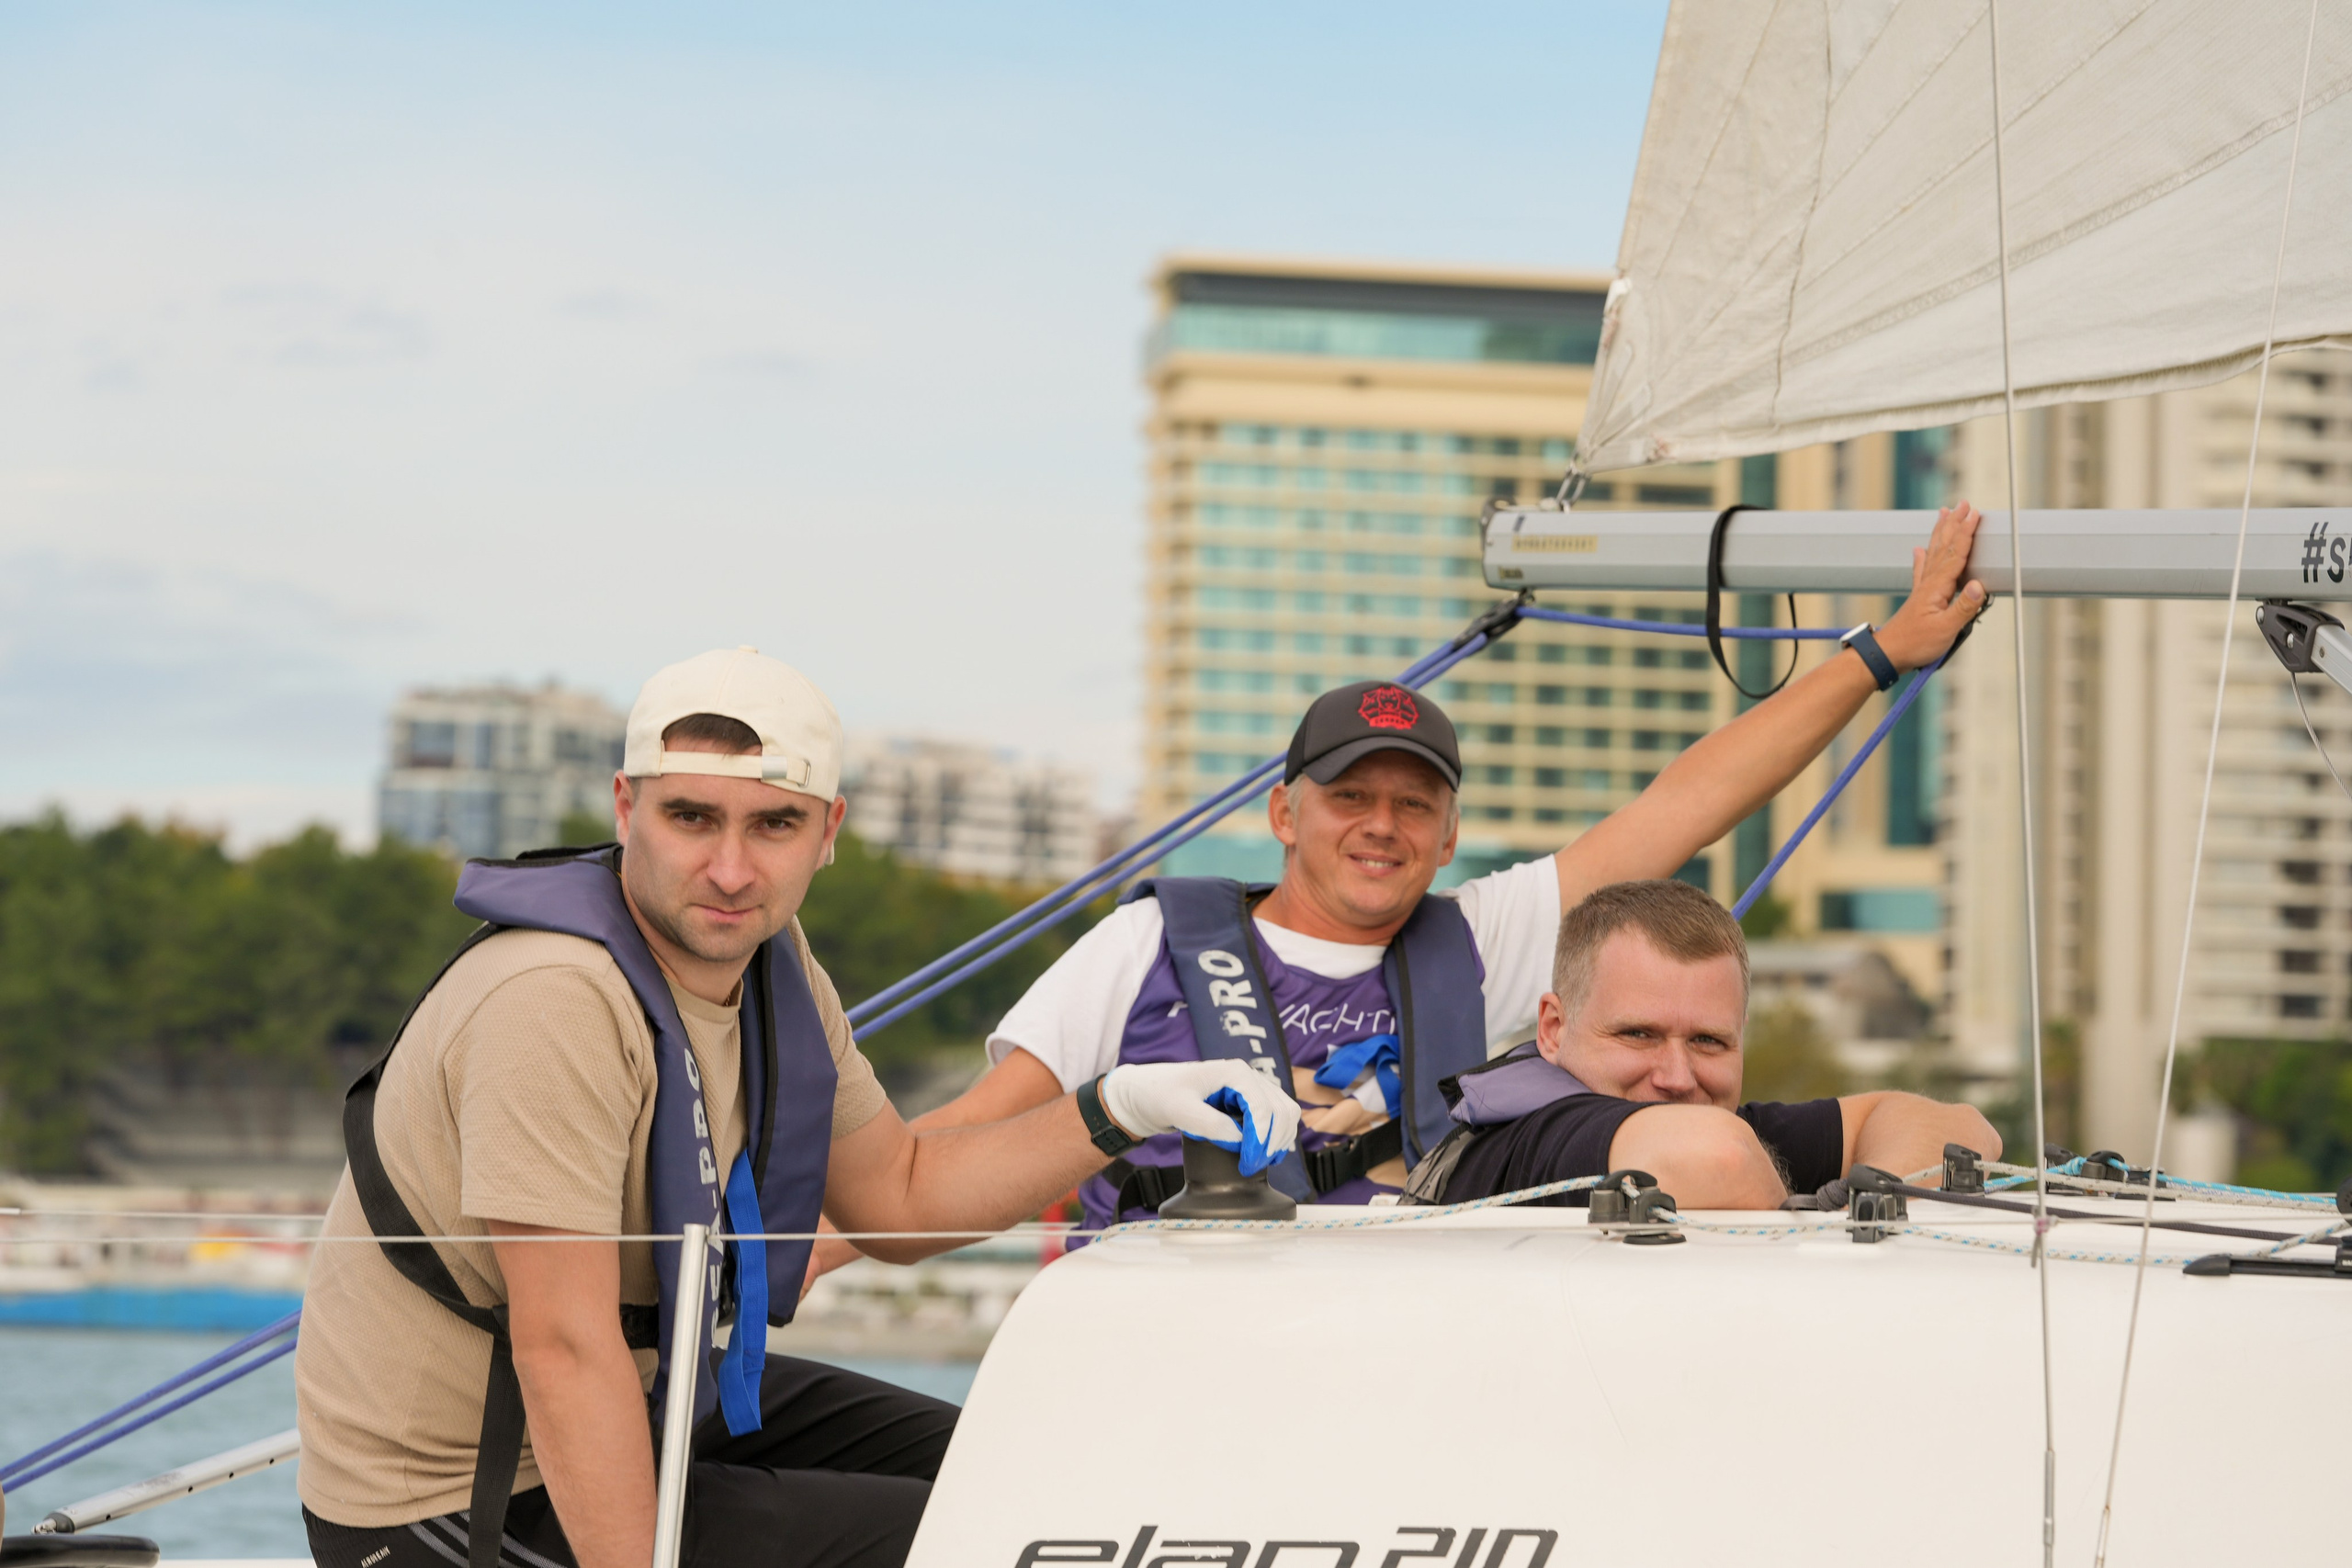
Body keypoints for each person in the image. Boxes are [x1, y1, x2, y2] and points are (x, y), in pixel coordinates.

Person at [294, 648, 1299, 1568]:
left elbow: (900, 1201)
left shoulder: (774, 965)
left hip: (654, 1401)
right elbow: (562, 1348)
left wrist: (1121, 1104)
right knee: (1002, 1540)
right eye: (691, 818)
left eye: (773, 824)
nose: (731, 870)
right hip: (449, 1502)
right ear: (623, 808)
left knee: (1024, 1470)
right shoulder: (554, 998)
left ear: (828, 833)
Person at [803, 502, 1989, 1275]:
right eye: (1349, 796)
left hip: (1391, 1338)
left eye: (1414, 802)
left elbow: (1687, 800)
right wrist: (776, 1267)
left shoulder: (1489, 938)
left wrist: (1878, 655)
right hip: (1162, 1318)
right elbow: (956, 1143)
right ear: (1284, 812)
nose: (1382, 824)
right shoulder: (1145, 946)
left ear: (1447, 828)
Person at [1413, 876, 1999, 1207]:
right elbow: (1712, 1158)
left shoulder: (1719, 1126)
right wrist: (1811, 1234)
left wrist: (1870, 1199)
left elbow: (1962, 1131)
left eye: (1708, 1041)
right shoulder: (1523, 1144)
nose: (1676, 1075)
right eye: (1638, 1034)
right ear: (1553, 1029)